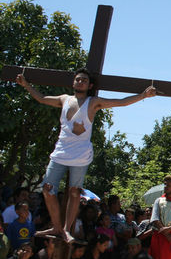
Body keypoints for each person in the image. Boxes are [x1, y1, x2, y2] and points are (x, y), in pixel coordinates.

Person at [16, 69, 156, 242]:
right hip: (60, 151)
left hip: (80, 154)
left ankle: (66, 229)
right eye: (78, 79)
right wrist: (26, 85)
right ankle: (57, 226)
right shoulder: (64, 99)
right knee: (47, 189)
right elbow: (42, 98)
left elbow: (120, 102)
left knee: (75, 192)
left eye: (84, 80)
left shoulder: (93, 102)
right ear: (73, 82)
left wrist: (143, 95)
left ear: (90, 85)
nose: (80, 82)